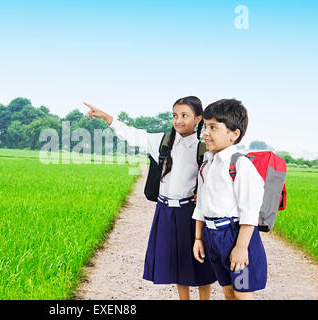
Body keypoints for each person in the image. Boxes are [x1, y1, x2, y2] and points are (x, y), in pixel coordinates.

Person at [84, 97, 216, 300]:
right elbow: (132, 135)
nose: (178, 120)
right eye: (175, 115)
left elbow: (217, 179)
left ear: (198, 119)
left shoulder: (205, 150)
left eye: (184, 115)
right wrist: (107, 118)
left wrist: (204, 194)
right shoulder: (162, 142)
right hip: (165, 211)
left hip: (190, 212)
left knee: (199, 261)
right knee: (178, 263)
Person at [192, 98, 267, 300]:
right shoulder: (206, 164)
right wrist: (198, 238)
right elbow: (201, 206)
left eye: (213, 127)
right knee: (228, 291)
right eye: (205, 126)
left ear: (234, 134)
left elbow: (250, 211)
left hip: (235, 236)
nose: (205, 133)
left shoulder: (240, 165)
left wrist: (241, 247)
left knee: (242, 294)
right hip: (212, 237)